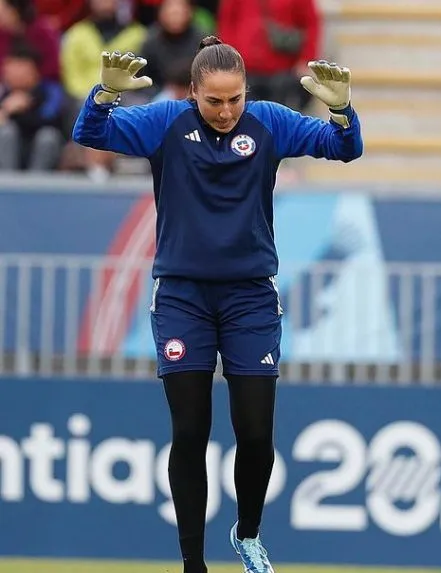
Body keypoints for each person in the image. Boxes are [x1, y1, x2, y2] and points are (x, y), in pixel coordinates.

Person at [72, 36, 363, 573]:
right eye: (214, 101)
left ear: (247, 92)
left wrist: (343, 112)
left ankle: (248, 536)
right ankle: (192, 563)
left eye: (235, 99)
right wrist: (104, 96)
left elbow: (344, 149)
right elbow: (90, 133)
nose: (226, 111)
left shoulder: (270, 121)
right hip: (183, 297)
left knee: (255, 432)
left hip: (250, 297)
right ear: (193, 94)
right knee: (189, 431)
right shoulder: (165, 123)